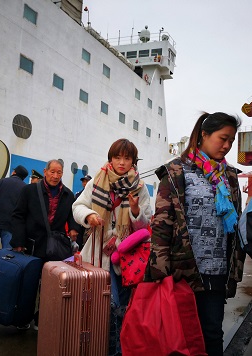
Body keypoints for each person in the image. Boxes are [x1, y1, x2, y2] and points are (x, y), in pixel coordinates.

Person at [144, 112, 245, 355]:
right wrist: (160, 267)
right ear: (204, 135)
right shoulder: (176, 171)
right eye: (223, 138)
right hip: (183, 268)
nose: (227, 145)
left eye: (231, 140)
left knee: (212, 333)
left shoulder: (229, 175)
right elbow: (162, 221)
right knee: (179, 334)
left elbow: (236, 223)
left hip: (217, 269)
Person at [73, 138, 152, 355]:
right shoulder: (97, 180)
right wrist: (89, 216)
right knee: (108, 307)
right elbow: (78, 205)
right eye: (117, 157)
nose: (122, 162)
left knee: (120, 309)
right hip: (98, 254)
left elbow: (145, 226)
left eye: (127, 158)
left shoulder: (140, 187)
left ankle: (116, 349)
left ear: (133, 162)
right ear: (111, 158)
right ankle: (109, 348)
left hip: (126, 258)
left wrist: (136, 212)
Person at [10, 159, 79, 330]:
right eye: (53, 172)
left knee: (51, 285)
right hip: (32, 245)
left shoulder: (68, 195)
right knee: (28, 284)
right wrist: (18, 241)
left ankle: (42, 318)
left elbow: (73, 216)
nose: (55, 176)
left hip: (55, 247)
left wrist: (74, 228)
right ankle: (23, 319)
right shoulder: (29, 190)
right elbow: (18, 216)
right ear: (45, 172)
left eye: (59, 173)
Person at [73, 174, 92, 249]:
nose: (85, 183)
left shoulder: (93, 194)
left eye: (86, 181)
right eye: (83, 181)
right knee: (79, 242)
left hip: (88, 222)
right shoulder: (78, 194)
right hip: (79, 223)